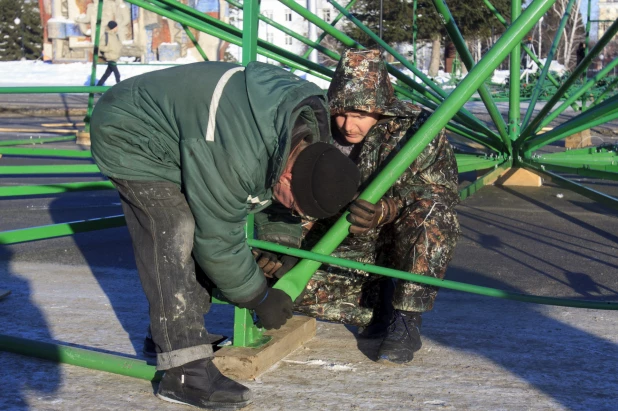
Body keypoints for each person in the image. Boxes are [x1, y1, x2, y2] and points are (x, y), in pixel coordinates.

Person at [90, 61, 360, 410]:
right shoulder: (239, 156)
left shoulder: (303, 138)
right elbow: (217, 239)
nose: (297, 212)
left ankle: (171, 336)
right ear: (290, 178)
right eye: (298, 205)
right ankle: (183, 372)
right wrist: (258, 298)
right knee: (174, 228)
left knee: (201, 221)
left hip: (191, 132)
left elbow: (273, 192)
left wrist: (282, 246)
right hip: (131, 129)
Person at [257, 48, 461, 365]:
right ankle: (374, 308)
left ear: (381, 109)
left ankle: (405, 319)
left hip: (389, 243)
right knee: (263, 275)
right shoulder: (316, 129)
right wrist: (278, 247)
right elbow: (286, 193)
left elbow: (442, 191)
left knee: (435, 214)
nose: (348, 125)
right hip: (334, 243)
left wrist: (389, 208)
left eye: (359, 116)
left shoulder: (417, 129)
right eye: (341, 114)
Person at [97, 21, 122, 86]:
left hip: (115, 57)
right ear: (113, 27)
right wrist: (109, 49)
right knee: (117, 75)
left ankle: (98, 86)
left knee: (107, 74)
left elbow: (118, 45)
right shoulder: (106, 35)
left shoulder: (116, 35)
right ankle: (119, 88)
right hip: (110, 57)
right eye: (116, 27)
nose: (117, 28)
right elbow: (100, 46)